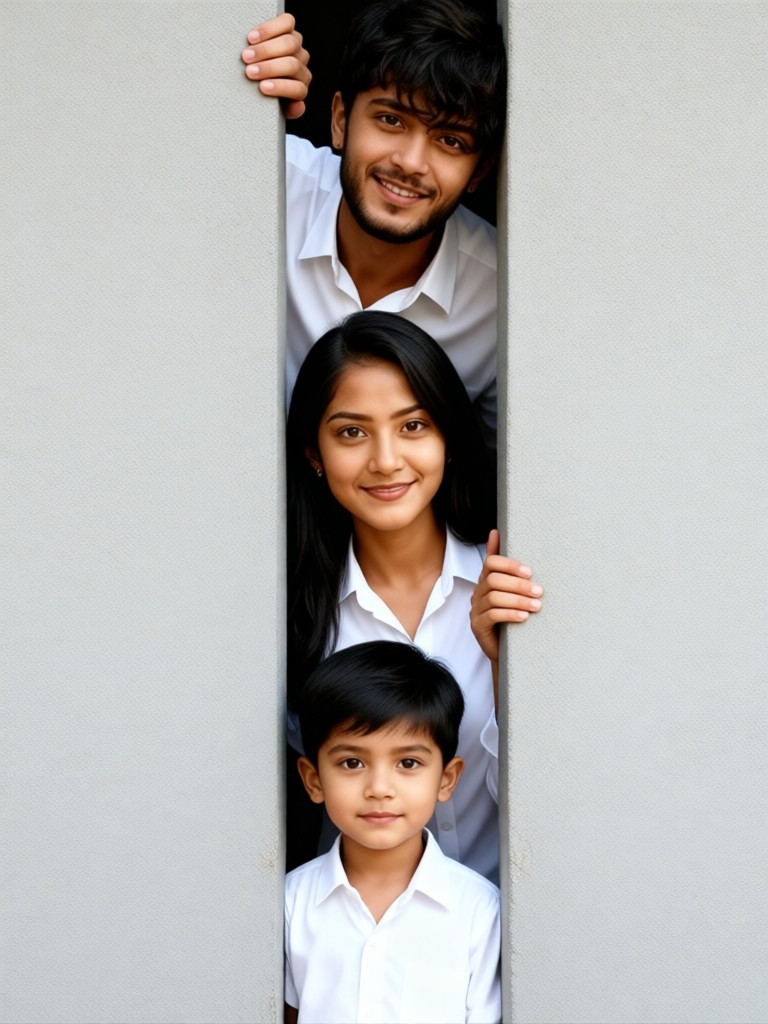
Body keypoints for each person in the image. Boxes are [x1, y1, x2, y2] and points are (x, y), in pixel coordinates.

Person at [287, 311, 543, 884]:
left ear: (448, 436)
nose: (385, 460)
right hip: (354, 924)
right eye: (352, 432)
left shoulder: (508, 583)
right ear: (314, 454)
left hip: (513, 917)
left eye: (413, 425)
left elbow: (554, 792)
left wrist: (504, 666)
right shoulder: (293, 617)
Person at [243, 0, 506, 444]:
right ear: (340, 120)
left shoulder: (503, 301)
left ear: (479, 171)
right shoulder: (271, 183)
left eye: (450, 140)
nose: (411, 162)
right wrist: (238, 69)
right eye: (390, 119)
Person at [285, 640, 501, 1024]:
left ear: (446, 779)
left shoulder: (480, 909)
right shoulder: (289, 902)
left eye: (408, 763)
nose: (379, 788)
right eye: (352, 763)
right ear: (313, 780)